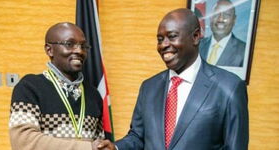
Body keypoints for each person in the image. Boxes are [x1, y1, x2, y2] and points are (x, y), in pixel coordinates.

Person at [94, 8, 249, 150]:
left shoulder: (229, 87)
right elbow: (138, 136)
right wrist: (116, 148)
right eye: (160, 39)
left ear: (195, 37)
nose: (163, 45)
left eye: (172, 36)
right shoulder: (149, 87)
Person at [9, 22, 105, 150]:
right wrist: (85, 148)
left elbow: (99, 143)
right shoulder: (29, 87)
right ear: (49, 50)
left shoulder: (93, 94)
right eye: (69, 44)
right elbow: (23, 141)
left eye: (83, 46)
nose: (79, 51)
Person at [199, 0, 246, 67]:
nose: (220, 19)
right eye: (216, 14)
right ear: (210, 17)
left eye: (226, 15)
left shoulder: (244, 51)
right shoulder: (197, 46)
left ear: (234, 20)